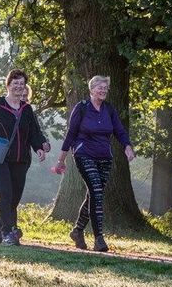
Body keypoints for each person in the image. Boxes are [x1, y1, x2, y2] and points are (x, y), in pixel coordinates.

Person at [53, 75, 135, 252]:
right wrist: (61, 159)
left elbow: (120, 131)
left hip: (105, 157)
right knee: (96, 191)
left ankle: (77, 231)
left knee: (94, 195)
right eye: (100, 87)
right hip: (84, 154)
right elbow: (71, 134)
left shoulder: (109, 110)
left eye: (105, 88)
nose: (103, 90)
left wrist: (127, 147)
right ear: (91, 90)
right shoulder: (82, 108)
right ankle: (99, 238)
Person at [0, 69, 50, 246]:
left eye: (22, 84)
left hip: (21, 158)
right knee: (6, 193)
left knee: (15, 198)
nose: (18, 86)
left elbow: (34, 132)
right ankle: (8, 232)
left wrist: (40, 146)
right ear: (8, 85)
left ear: (25, 87)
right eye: (15, 83)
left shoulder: (27, 109)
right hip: (0, 158)